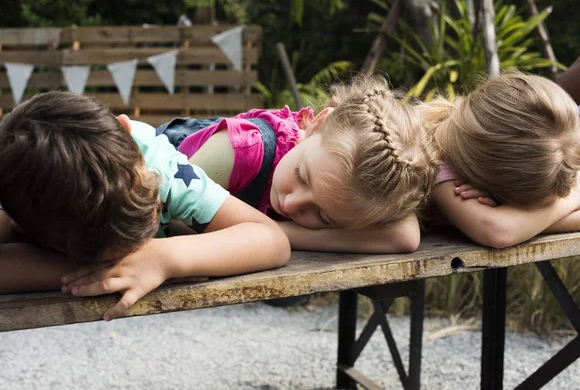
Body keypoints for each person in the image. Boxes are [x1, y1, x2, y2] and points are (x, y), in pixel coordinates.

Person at [0, 92, 291, 320]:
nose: (146, 238)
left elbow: (273, 241)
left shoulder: (156, 168)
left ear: (127, 132)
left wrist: (167, 257)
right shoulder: (4, 196)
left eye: (152, 204)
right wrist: (109, 272)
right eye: (121, 252)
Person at [156, 75, 440, 254]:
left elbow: (404, 236)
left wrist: (273, 235)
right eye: (301, 176)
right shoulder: (243, 151)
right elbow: (173, 222)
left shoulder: (340, 184)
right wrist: (263, 237)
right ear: (317, 124)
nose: (291, 204)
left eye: (322, 216)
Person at [424, 71, 580, 248]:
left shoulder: (464, 140)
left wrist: (525, 222)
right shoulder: (434, 159)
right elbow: (499, 231)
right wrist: (573, 197)